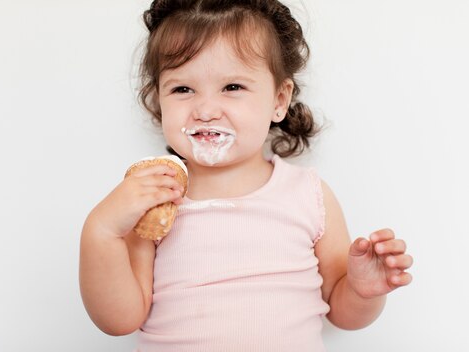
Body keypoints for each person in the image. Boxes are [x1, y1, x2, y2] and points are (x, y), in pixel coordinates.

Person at [79, 0, 413, 350]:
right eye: (183, 89)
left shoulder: (308, 194)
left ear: (279, 101)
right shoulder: (153, 199)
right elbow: (119, 320)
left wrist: (361, 290)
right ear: (159, 99)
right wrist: (102, 231)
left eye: (232, 87)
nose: (205, 110)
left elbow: (343, 314)